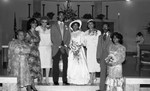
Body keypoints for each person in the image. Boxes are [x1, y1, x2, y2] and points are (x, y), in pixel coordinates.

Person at [67, 20, 90, 85]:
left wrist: (78, 46)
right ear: (72, 27)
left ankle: (81, 79)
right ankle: (72, 79)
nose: (75, 26)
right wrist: (72, 47)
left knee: (80, 64)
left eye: (76, 25)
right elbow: (69, 42)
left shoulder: (82, 33)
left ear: (78, 26)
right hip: (72, 51)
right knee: (73, 64)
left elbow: (84, 42)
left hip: (79, 50)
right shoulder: (70, 34)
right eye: (74, 25)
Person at [51, 11, 71, 85]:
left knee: (65, 63)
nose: (61, 16)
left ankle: (65, 80)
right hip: (57, 46)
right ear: (58, 16)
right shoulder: (54, 25)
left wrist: (65, 45)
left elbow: (69, 36)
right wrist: (59, 45)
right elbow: (52, 37)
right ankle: (55, 80)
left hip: (65, 46)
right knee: (55, 64)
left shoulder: (67, 25)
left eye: (63, 15)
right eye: (60, 15)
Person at [26, 18, 42, 89]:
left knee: (34, 70)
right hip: (29, 53)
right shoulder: (27, 33)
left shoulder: (37, 32)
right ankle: (29, 86)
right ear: (30, 24)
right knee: (29, 69)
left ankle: (32, 85)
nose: (35, 24)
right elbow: (25, 43)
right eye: (33, 23)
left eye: (36, 23)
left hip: (36, 53)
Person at [36, 16, 52, 84]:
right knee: (41, 63)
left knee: (48, 63)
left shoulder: (50, 29)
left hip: (48, 47)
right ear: (41, 22)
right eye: (43, 22)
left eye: (46, 22)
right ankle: (42, 78)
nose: (44, 23)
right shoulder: (38, 28)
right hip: (41, 47)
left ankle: (47, 78)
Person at [84, 19, 101, 85]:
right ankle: (91, 78)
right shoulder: (85, 32)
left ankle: (93, 77)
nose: (90, 25)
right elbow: (84, 42)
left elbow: (100, 41)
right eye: (89, 24)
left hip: (96, 49)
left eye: (92, 24)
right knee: (90, 63)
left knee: (95, 63)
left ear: (94, 24)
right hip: (89, 50)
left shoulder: (98, 32)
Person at [96, 23, 112, 91]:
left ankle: (109, 88)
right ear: (102, 28)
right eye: (103, 27)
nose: (105, 28)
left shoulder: (112, 36)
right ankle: (101, 89)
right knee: (102, 73)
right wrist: (98, 56)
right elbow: (98, 47)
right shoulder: (100, 37)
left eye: (106, 27)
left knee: (110, 73)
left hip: (110, 56)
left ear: (108, 28)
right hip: (102, 56)